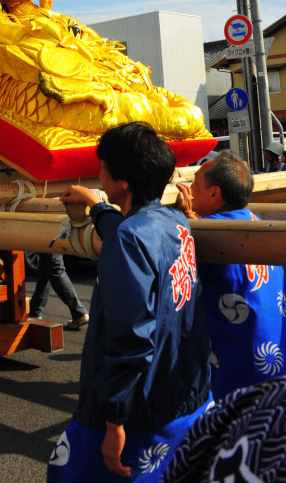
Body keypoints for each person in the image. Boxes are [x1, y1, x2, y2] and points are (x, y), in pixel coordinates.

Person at [48, 122, 211, 482]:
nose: (99, 172)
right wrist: (95, 206)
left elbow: (132, 338)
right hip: (184, 390)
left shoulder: (128, 240)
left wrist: (114, 420)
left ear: (122, 181)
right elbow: (127, 228)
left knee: (68, 473)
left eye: (103, 166)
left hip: (140, 409)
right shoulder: (173, 221)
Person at [175, 151, 286, 400]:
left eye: (195, 183)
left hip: (238, 372)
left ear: (215, 193)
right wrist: (193, 220)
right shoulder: (256, 224)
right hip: (275, 358)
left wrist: (188, 224)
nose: (190, 189)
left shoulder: (203, 237)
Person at [28, 252, 89, 329]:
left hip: (47, 241)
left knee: (55, 269)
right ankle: (34, 312)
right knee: (45, 271)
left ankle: (80, 313)